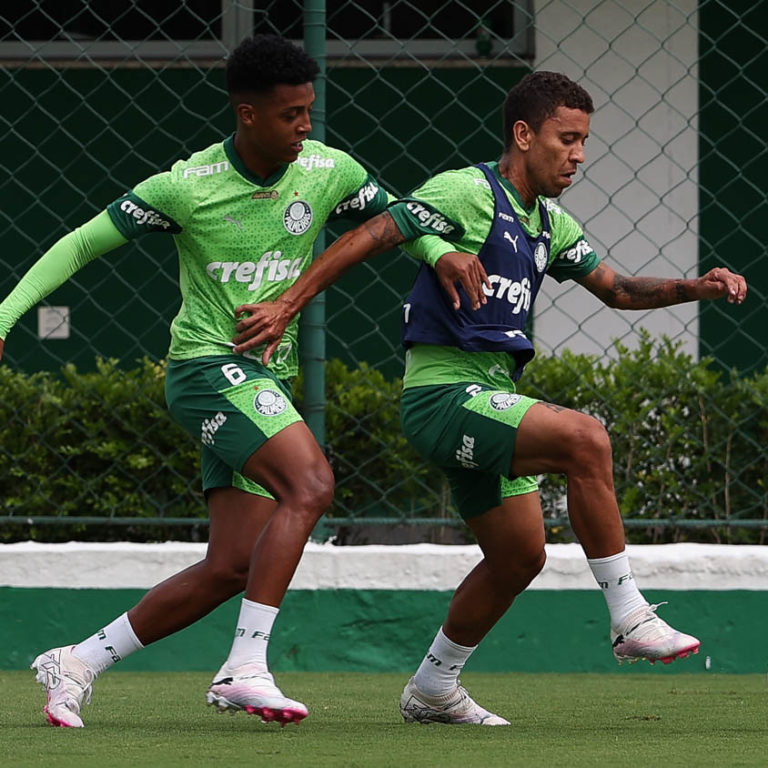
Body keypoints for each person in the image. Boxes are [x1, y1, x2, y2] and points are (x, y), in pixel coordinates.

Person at [232, 71, 748, 726]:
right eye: (567, 139)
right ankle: (629, 617)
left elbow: (617, 289)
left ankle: (433, 687)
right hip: (443, 395)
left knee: (519, 556)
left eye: (585, 141)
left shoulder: (548, 223)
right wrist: (286, 305)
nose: (579, 155)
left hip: (489, 396)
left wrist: (695, 287)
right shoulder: (467, 191)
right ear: (524, 135)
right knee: (585, 438)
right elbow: (368, 236)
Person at [0, 35, 469, 728]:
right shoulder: (184, 188)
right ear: (247, 114)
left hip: (262, 387)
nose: (305, 127)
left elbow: (396, 219)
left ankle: (78, 661)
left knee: (230, 567)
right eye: (290, 115)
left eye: (310, 111)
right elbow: (79, 243)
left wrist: (443, 251)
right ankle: (245, 667)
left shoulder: (327, 169)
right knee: (311, 485)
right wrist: (5, 317)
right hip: (204, 371)